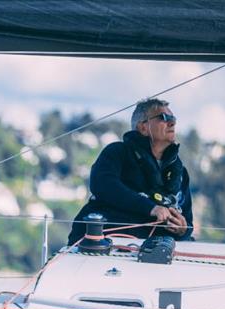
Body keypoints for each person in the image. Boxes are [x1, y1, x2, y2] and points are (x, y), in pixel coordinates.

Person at [68, 98, 193, 244]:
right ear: (143, 127)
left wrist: (183, 229)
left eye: (173, 119)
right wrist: (150, 208)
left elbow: (188, 223)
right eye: (164, 118)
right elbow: (103, 185)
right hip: (104, 245)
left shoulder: (180, 173)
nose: (172, 123)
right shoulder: (118, 152)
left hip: (155, 253)